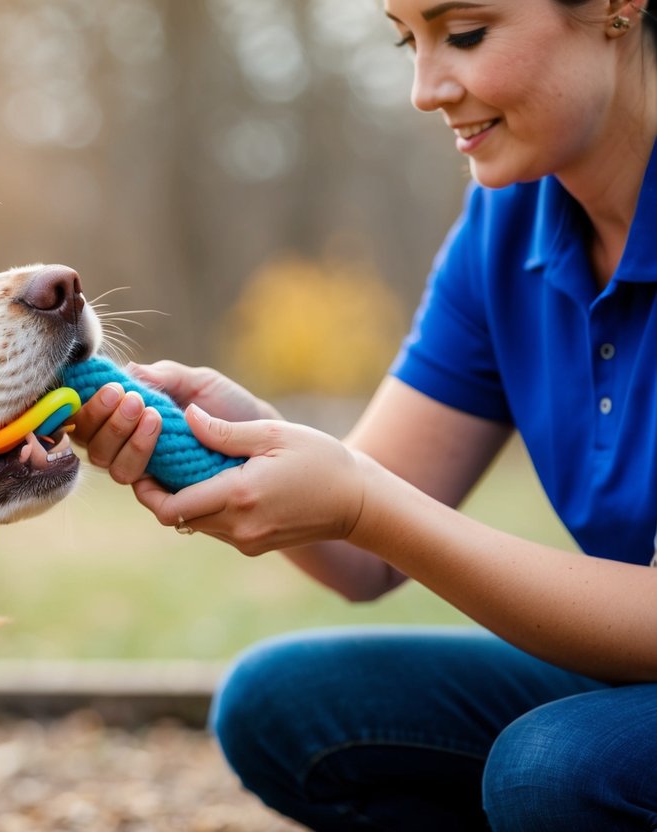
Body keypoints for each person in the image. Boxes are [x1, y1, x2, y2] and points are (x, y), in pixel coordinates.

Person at [70, 0, 657, 829]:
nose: (422, 89)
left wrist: (362, 502)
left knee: (555, 769)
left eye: (464, 34)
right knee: (287, 707)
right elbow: (362, 560)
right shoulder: (506, 223)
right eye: (403, 39)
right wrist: (225, 449)